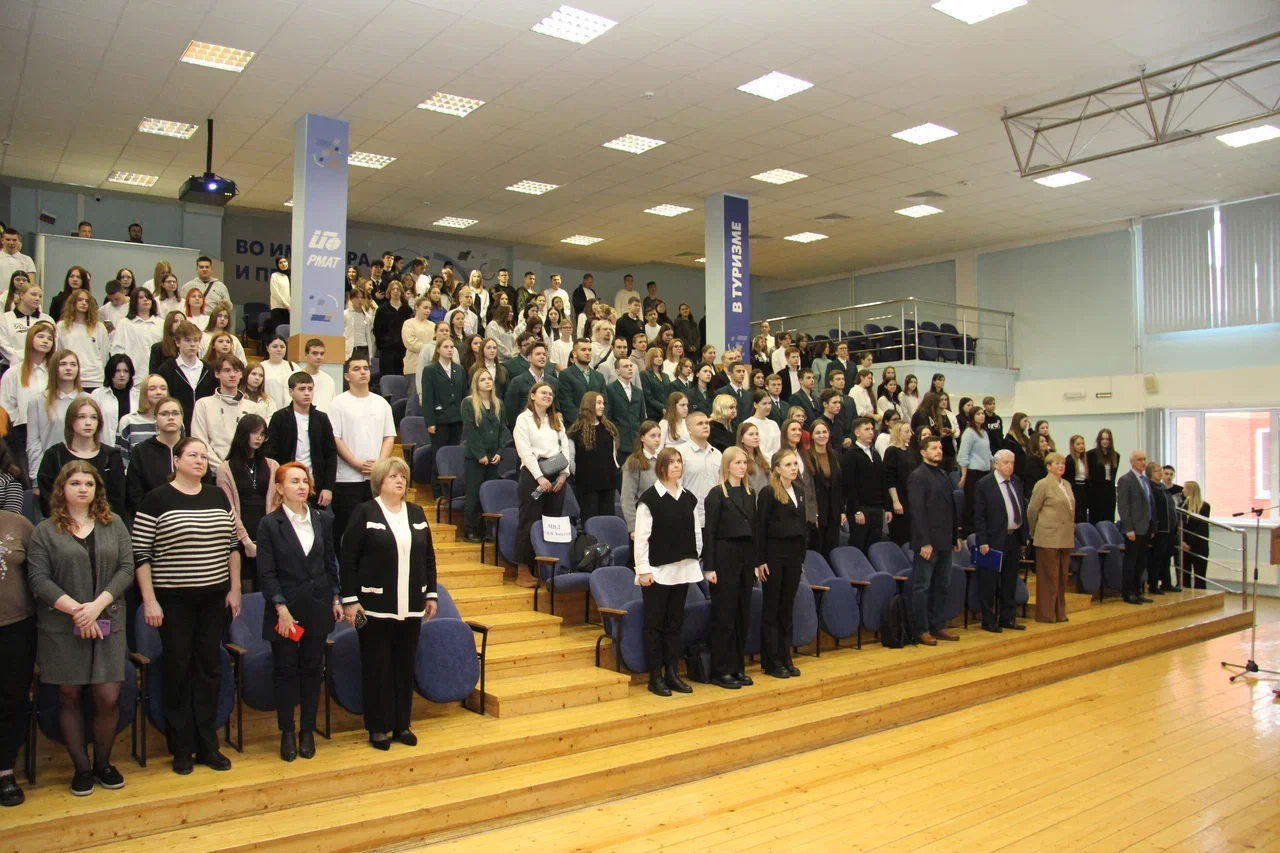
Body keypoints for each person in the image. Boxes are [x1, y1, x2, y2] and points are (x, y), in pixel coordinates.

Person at [132, 437, 241, 774]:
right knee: (178, 669)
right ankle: (181, 747)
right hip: (173, 600)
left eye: (204, 456)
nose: (199, 461)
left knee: (210, 669)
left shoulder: (217, 495)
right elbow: (140, 554)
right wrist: (149, 600)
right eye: (192, 455)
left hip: (213, 598)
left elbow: (233, 545)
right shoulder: (156, 499)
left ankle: (208, 744)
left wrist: (235, 589)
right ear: (176, 461)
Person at [27, 461, 134, 796]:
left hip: (108, 620)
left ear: (97, 489)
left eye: (89, 483)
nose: (83, 489)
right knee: (69, 696)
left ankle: (103, 764)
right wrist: (78, 611)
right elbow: (38, 579)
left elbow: (126, 568)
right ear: (62, 488)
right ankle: (82, 770)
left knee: (107, 697)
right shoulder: (45, 530)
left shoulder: (114, 524)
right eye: (75, 483)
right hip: (62, 626)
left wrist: (96, 607)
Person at [339, 457, 436, 750]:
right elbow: (348, 558)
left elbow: (428, 557)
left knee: (404, 666)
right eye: (393, 476)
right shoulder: (365, 512)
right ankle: (378, 727)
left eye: (403, 476)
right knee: (377, 667)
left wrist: (431, 593)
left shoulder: (417, 512)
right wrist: (350, 600)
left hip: (411, 605)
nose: (400, 481)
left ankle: (401, 724)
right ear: (379, 481)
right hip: (373, 607)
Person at [255, 461, 340, 762]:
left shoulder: (321, 518)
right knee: (286, 671)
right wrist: (280, 607)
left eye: (305, 481)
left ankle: (307, 730)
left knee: (312, 670)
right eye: (294, 481)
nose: (302, 486)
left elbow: (329, 562)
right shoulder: (269, 524)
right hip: (285, 611)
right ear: (279, 488)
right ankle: (287, 732)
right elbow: (266, 573)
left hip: (317, 605)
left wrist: (336, 597)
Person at [632, 447, 700, 697]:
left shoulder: (688, 497)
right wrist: (643, 569)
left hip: (682, 570)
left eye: (679, 461)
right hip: (657, 571)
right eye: (671, 462)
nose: (677, 465)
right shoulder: (650, 499)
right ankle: (655, 676)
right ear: (661, 467)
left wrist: (695, 556)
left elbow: (696, 532)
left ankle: (672, 673)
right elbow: (641, 538)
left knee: (674, 624)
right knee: (654, 624)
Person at [701, 447, 757, 690]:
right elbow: (710, 533)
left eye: (744, 462)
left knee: (742, 614)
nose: (742, 467)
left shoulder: (750, 492)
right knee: (724, 615)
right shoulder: (716, 494)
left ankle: (737, 667)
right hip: (725, 556)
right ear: (727, 466)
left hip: (746, 557)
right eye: (737, 463)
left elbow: (755, 530)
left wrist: (756, 562)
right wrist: (709, 567)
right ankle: (720, 669)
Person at [328, 355, 396, 547]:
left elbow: (389, 436)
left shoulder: (381, 403)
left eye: (365, 368)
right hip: (347, 478)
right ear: (347, 376)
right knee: (347, 530)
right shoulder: (338, 403)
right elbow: (335, 438)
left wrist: (380, 465)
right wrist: (355, 463)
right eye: (356, 369)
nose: (363, 372)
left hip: (375, 478)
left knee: (376, 531)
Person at [755, 448, 808, 679]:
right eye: (788, 465)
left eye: (795, 464)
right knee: (772, 609)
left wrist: (802, 557)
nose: (793, 468)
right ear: (777, 468)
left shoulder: (799, 490)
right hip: (774, 555)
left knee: (787, 609)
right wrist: (760, 560)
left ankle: (786, 656)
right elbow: (760, 527)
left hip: (794, 555)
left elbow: (802, 526)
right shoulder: (768, 492)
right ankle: (771, 661)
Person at [513, 382, 572, 587]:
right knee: (529, 521)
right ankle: (523, 570)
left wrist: (564, 474)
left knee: (551, 522)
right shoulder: (524, 419)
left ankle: (547, 569)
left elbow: (565, 448)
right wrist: (539, 477)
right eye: (543, 393)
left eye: (550, 394)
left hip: (557, 475)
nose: (548, 396)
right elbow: (525, 451)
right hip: (533, 474)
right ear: (532, 396)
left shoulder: (556, 420)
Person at [908, 436, 962, 646]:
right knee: (922, 587)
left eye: (940, 448)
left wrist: (955, 536)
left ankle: (938, 625)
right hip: (928, 543)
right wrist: (924, 542)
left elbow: (951, 508)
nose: (939, 451)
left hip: (945, 540)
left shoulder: (942, 473)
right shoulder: (917, 476)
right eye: (933, 448)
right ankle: (921, 629)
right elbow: (917, 512)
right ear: (923, 452)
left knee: (942, 585)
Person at [37, 394, 126, 517]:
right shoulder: (53, 455)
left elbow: (117, 500)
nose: (88, 423)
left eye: (93, 417)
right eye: (81, 417)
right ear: (70, 420)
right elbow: (47, 499)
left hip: (103, 522)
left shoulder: (111, 457)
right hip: (61, 522)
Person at [216, 415, 277, 594]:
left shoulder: (272, 465)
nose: (259, 438)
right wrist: (245, 540)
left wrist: (269, 534)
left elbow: (276, 501)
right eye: (254, 432)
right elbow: (228, 508)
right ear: (244, 433)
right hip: (239, 535)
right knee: (246, 589)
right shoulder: (225, 468)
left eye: (263, 434)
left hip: (267, 532)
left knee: (268, 585)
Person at [0, 500, 34, 806]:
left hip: (15, 626)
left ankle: (5, 772)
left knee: (12, 699)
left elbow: (38, 574)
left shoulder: (18, 524)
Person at [973, 449, 1029, 632]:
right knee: (989, 582)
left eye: (1012, 462)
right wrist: (982, 541)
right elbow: (979, 516)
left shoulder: (1016, 481)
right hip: (992, 539)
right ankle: (988, 620)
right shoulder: (984, 484)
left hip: (1013, 538)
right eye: (1006, 462)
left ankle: (1008, 618)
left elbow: (1021, 509)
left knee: (1010, 580)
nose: (1009, 466)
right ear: (995, 464)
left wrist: (1025, 535)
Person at [266, 372, 337, 511]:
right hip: (288, 484)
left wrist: (328, 487)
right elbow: (272, 454)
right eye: (302, 389)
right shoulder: (280, 418)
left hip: (316, 485)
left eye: (310, 389)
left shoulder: (321, 419)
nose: (307, 393)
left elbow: (330, 454)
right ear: (291, 391)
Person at [1027, 451, 1076, 622]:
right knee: (1049, 577)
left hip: (1065, 536)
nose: (1061, 466)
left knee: (1062, 577)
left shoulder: (1067, 484)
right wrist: (1034, 531)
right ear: (1048, 467)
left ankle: (1059, 612)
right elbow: (1032, 511)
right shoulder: (1042, 484)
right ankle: (1046, 614)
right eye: (1057, 463)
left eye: (1062, 463)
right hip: (1048, 536)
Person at [1, 320, 54, 468]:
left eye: (50, 338)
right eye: (41, 336)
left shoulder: (54, 373)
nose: (46, 341)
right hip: (21, 432)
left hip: (49, 429)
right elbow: (6, 406)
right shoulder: (13, 373)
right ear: (30, 339)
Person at [459, 368, 503, 543]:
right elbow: (470, 431)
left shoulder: (498, 403)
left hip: (493, 457)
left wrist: (499, 452)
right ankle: (469, 530)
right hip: (475, 457)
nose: (487, 382)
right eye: (483, 379)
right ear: (476, 383)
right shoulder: (468, 403)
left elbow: (503, 430)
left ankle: (487, 529)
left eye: (489, 379)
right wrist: (480, 454)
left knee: (489, 495)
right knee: (473, 494)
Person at [124, 396, 183, 523]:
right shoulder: (141, 451)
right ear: (155, 419)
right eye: (164, 414)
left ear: (182, 417)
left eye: (175, 413)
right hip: (152, 520)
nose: (171, 417)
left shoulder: (193, 449)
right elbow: (134, 495)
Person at [27, 348, 82, 478]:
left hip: (82, 468)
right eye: (63, 364)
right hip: (50, 469)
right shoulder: (38, 401)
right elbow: (33, 442)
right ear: (53, 368)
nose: (68, 368)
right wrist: (35, 475)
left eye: (73, 364)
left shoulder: (87, 400)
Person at [190, 354, 250, 469]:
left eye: (236, 370)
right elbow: (199, 440)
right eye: (227, 370)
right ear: (217, 374)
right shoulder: (203, 404)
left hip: (244, 470)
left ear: (241, 374)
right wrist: (222, 469)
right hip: (213, 470)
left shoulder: (253, 407)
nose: (232, 375)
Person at [156, 321, 215, 434]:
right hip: (177, 429)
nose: (192, 344)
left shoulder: (209, 369)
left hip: (205, 428)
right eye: (187, 340)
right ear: (177, 342)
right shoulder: (166, 369)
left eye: (196, 340)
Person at [842, 417, 889, 555]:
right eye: (866, 429)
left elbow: (882, 481)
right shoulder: (850, 455)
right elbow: (849, 485)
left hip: (877, 507)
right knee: (859, 546)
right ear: (857, 432)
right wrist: (856, 510)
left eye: (872, 429)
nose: (871, 432)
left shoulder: (875, 454)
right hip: (861, 508)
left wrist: (887, 507)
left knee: (874, 547)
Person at [1116, 449, 1155, 606]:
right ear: (1132, 462)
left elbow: (1150, 505)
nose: (1143, 462)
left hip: (1146, 527)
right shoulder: (1126, 480)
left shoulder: (1145, 480)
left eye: (1144, 459)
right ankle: (1128, 592)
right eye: (1139, 459)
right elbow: (1123, 506)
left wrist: (1152, 526)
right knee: (1131, 562)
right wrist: (1128, 528)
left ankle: (1138, 591)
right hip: (1133, 527)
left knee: (1141, 562)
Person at [57, 289, 110, 391]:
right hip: (71, 378)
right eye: (80, 300)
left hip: (95, 379)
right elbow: (59, 352)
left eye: (87, 301)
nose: (84, 303)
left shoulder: (99, 327)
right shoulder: (61, 326)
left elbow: (104, 355)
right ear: (73, 302)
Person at [110, 287, 161, 389]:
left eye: (148, 297)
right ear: (134, 301)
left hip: (157, 378)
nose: (145, 300)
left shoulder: (161, 324)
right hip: (134, 378)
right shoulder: (124, 324)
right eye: (141, 297)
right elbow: (117, 350)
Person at [807, 419, 844, 558]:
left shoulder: (835, 455)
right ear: (811, 436)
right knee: (817, 549)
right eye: (817, 433)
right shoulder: (807, 456)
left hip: (833, 511)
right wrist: (812, 513)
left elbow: (839, 486)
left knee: (832, 549)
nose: (821, 435)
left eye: (824, 432)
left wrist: (842, 510)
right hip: (817, 510)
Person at [620, 421, 662, 542]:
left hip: (662, 517)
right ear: (642, 438)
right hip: (643, 520)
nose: (657, 439)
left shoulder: (662, 459)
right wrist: (633, 527)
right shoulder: (634, 462)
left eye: (659, 435)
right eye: (652, 436)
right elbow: (627, 498)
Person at [604, 357, 644, 469]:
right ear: (617, 371)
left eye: (631, 366)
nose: (630, 368)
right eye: (625, 366)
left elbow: (641, 417)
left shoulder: (638, 392)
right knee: (621, 473)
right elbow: (608, 416)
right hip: (619, 440)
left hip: (636, 440)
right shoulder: (610, 389)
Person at [957, 407, 992, 534]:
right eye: (978, 414)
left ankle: (981, 530)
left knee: (984, 503)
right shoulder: (969, 433)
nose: (982, 416)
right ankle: (968, 532)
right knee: (972, 503)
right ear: (972, 417)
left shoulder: (984, 432)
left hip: (985, 472)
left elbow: (988, 453)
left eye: (983, 413)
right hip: (973, 472)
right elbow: (963, 455)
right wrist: (964, 474)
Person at [883, 421, 918, 546]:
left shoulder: (910, 450)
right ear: (898, 433)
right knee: (901, 533)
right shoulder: (892, 451)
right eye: (906, 432)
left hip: (911, 495)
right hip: (899, 496)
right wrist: (895, 501)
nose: (910, 434)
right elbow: (889, 478)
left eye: (910, 431)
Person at [1145, 461, 1176, 595]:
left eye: (1160, 470)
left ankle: (1166, 582)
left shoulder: (1161, 486)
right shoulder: (1150, 487)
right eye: (1157, 470)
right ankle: (1153, 584)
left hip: (1169, 528)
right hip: (1160, 528)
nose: (1160, 472)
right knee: (1156, 557)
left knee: (1166, 557)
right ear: (1151, 473)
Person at [558, 338, 605, 423]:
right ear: (574, 353)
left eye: (589, 350)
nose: (587, 352)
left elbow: (605, 402)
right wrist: (583, 423)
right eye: (583, 350)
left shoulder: (599, 376)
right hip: (576, 425)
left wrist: (598, 422)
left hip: (598, 424)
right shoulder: (565, 375)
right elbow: (567, 404)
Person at [401, 297, 436, 396]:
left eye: (429, 308)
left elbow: (436, 343)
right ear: (416, 307)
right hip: (414, 366)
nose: (428, 311)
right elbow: (411, 343)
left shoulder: (433, 325)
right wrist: (429, 349)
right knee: (414, 398)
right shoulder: (408, 323)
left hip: (430, 366)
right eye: (425, 308)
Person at [1180, 481, 1210, 589]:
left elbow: (1202, 528)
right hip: (1184, 545)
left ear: (1190, 490)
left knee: (1200, 576)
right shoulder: (1181, 505)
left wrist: (1190, 543)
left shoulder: (1204, 506)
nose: (1182, 490)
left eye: (1184, 488)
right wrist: (1182, 541)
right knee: (1184, 576)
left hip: (1199, 545)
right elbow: (1180, 525)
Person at [1086, 429, 1119, 523]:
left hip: (1109, 490)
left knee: (1109, 517)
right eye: (1102, 439)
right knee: (1096, 517)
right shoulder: (1091, 454)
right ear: (1099, 440)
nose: (1105, 441)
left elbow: (1113, 475)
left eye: (1107, 439)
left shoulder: (1116, 455)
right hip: (1096, 491)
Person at [734, 421, 771, 494]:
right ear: (741, 439)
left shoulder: (762, 458)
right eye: (751, 434)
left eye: (757, 434)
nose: (755, 437)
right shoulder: (737, 459)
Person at [1063, 435, 1090, 523]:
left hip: (1083, 488)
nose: (1081, 446)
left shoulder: (1084, 460)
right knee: (1076, 514)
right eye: (1078, 444)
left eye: (1082, 443)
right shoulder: (1069, 460)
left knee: (1083, 514)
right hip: (1074, 489)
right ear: (1073, 446)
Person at [640, 346, 670, 422]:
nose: (659, 359)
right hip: (652, 414)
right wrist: (661, 407)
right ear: (650, 358)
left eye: (661, 356)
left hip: (666, 412)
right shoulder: (644, 374)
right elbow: (648, 396)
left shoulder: (665, 376)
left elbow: (669, 393)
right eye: (656, 356)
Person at [267, 257, 290, 341]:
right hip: (278, 310)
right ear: (277, 265)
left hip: (290, 310)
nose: (283, 264)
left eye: (284, 261)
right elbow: (275, 293)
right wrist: (287, 305)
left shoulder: (290, 276)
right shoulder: (275, 276)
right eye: (280, 262)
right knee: (278, 335)